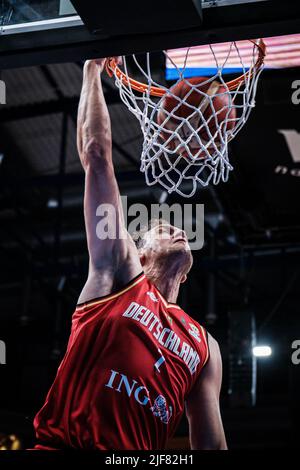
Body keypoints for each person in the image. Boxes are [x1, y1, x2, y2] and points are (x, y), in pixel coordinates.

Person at [33, 58, 227, 450]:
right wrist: (91, 69)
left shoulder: (205, 347)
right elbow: (96, 155)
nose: (176, 228)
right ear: (138, 254)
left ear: (186, 275)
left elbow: (210, 445)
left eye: (175, 227)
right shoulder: (118, 274)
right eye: (160, 228)